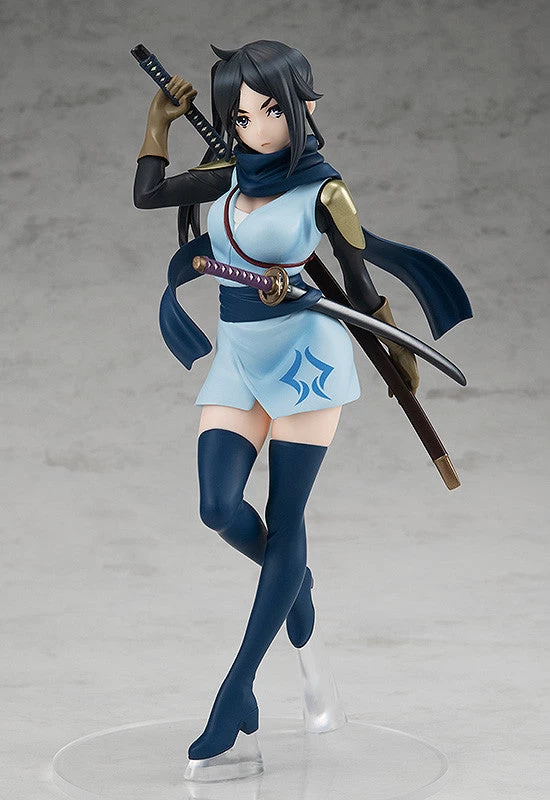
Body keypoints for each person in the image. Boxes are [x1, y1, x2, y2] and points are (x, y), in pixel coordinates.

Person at [133, 40, 466, 761]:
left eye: (270, 111)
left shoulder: (323, 191)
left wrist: (398, 351)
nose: (255, 127)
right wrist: (157, 122)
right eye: (240, 115)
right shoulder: (225, 172)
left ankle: (237, 689)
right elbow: (150, 196)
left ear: (302, 105)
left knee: (286, 519)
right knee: (217, 508)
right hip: (238, 358)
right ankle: (295, 583)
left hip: (306, 361)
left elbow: (359, 281)